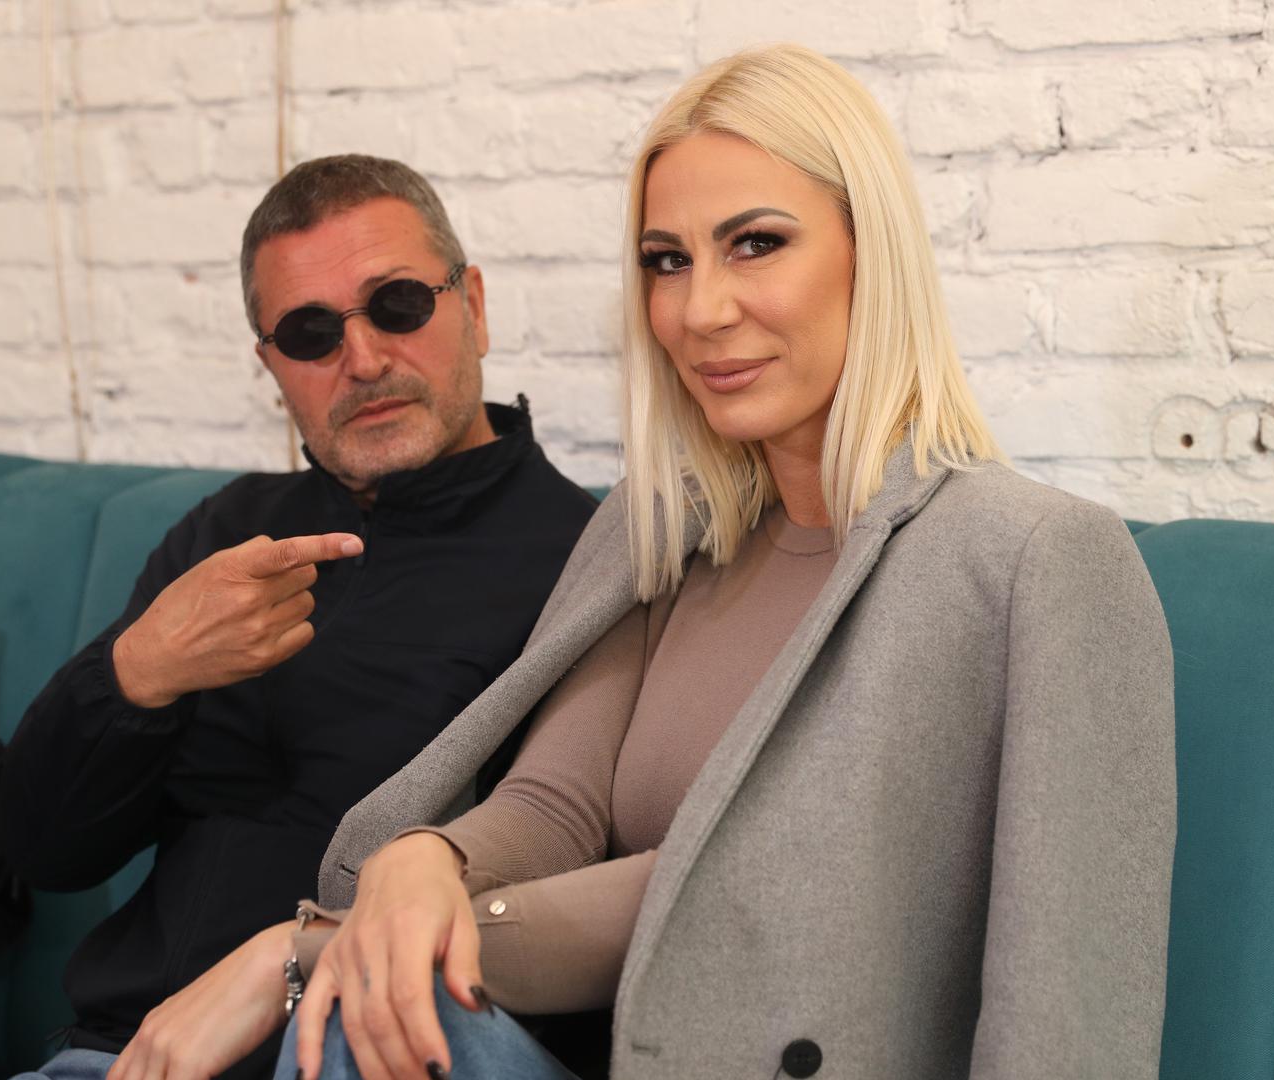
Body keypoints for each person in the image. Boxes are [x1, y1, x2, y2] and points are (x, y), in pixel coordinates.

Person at [279, 44, 1178, 1080]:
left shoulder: (1032, 560)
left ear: (870, 253)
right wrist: (425, 859)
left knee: (352, 1016)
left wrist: (300, 956)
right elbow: (553, 807)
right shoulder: (664, 526)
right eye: (668, 261)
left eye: (756, 244)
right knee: (368, 1027)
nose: (700, 309)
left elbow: (1068, 1029)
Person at [0, 154, 598, 1080]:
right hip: (121, 1055)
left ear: (473, 305)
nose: (364, 360)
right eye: (309, 334)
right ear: (270, 365)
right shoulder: (228, 533)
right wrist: (138, 671)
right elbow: (44, 851)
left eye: (398, 304)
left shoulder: (584, 562)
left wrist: (299, 957)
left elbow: (580, 881)